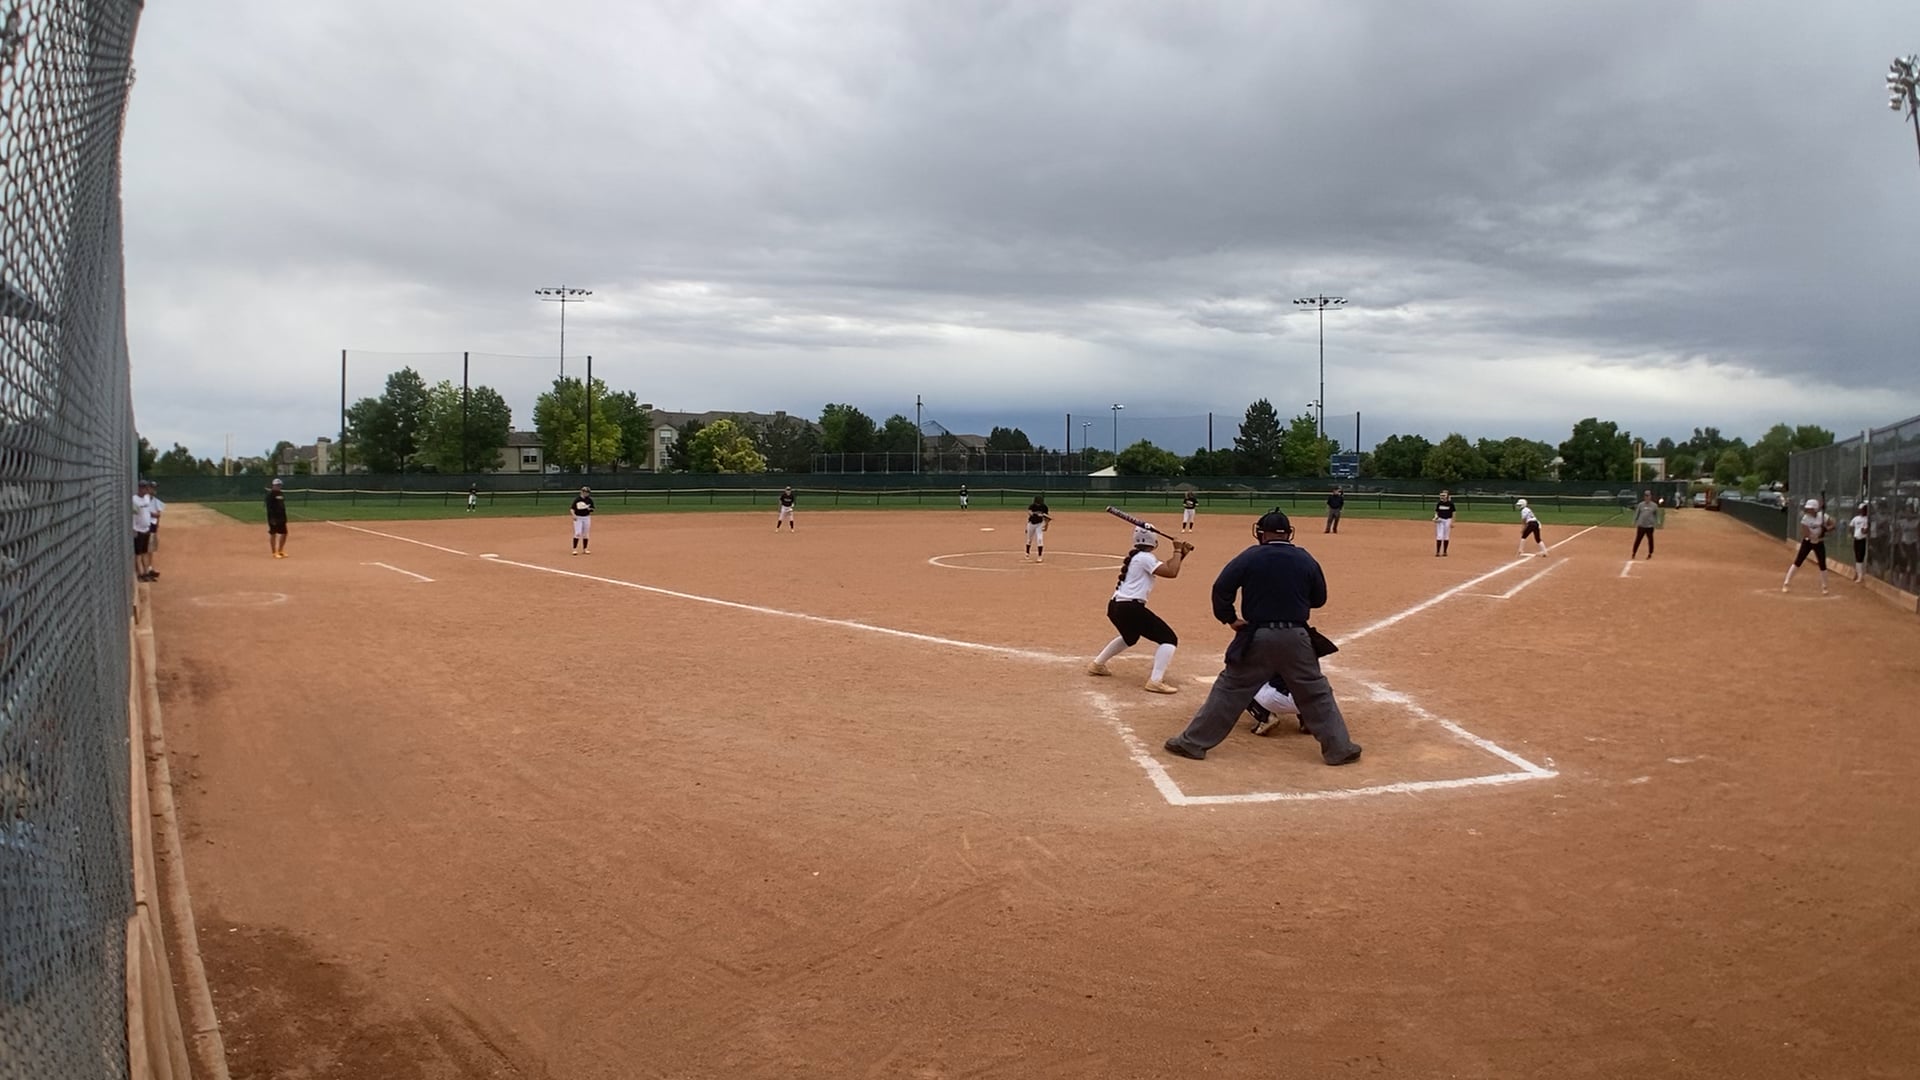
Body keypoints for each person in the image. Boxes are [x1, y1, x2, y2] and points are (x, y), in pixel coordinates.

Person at [1162, 509, 1362, 766]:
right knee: (1316, 692)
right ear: (1289, 534)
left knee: (1230, 689)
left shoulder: (1251, 556)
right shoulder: (1305, 558)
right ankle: (1339, 749)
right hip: (1297, 636)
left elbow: (1221, 588)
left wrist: (1230, 618)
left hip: (1258, 635)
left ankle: (1192, 743)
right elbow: (1319, 599)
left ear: (1261, 533)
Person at [1086, 526, 1192, 694]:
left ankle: (1097, 665)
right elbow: (1171, 572)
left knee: (1130, 637)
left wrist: (1181, 554)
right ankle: (1155, 681)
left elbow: (1169, 566)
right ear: (1154, 541)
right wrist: (1177, 549)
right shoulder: (1145, 558)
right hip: (1130, 608)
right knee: (1169, 639)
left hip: (1116, 606)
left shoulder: (1139, 557)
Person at [1783, 497, 1835, 594]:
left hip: (1819, 542)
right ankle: (1786, 583)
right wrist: (1815, 537)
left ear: (1815, 509)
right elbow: (1805, 533)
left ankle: (1825, 587)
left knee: (1822, 563)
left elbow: (1833, 525)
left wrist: (1826, 529)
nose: (1808, 510)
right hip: (1808, 542)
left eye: (1810, 508)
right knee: (1798, 561)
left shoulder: (1823, 516)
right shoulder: (1805, 518)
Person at [132, 480, 158, 581]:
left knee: (145, 552)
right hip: (138, 529)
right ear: (139, 488)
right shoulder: (134, 499)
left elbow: (147, 510)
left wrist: (153, 514)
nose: (145, 490)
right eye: (143, 488)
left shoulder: (147, 498)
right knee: (138, 554)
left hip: (146, 529)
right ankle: (141, 574)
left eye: (146, 488)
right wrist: (134, 529)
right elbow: (134, 514)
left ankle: (146, 572)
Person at [1631, 491, 1660, 559]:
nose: (1647, 497)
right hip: (1641, 525)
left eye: (1648, 496)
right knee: (1638, 539)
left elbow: (1657, 515)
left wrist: (1658, 521)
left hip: (1650, 526)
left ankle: (1650, 553)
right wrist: (1634, 521)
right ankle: (1634, 552)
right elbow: (1637, 513)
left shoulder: (1654, 505)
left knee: (1650, 540)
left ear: (1650, 496)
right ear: (1644, 497)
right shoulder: (1641, 505)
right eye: (1646, 496)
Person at [1848, 502, 1871, 584]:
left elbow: (1865, 530)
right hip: (1856, 539)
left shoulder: (1866, 519)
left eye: (1864, 509)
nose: (1863, 511)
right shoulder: (1856, 518)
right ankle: (1858, 573)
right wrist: (1851, 533)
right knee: (1857, 556)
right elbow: (1851, 526)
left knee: (1860, 557)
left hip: (1862, 539)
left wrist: (1864, 530)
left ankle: (1860, 575)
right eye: (1862, 509)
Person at [265, 477, 288, 558]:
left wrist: (285, 517)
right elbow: (269, 508)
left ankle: (280, 550)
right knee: (273, 534)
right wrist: (272, 518)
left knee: (284, 533)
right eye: (277, 485)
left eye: (280, 485)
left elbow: (282, 506)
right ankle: (274, 552)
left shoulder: (281, 494)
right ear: (273, 485)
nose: (279, 486)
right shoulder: (270, 495)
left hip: (281, 517)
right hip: (274, 517)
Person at [1024, 495, 1050, 561]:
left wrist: (1046, 526)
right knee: (1029, 539)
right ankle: (1027, 553)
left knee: (1040, 539)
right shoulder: (1032, 506)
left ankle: (1039, 556)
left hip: (1039, 524)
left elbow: (1047, 518)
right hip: (1031, 524)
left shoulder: (1044, 507)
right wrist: (1035, 514)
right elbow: (1029, 512)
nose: (1038, 504)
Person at [571, 486, 595, 554]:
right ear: (582, 492)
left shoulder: (589, 500)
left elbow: (593, 508)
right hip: (578, 517)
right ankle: (574, 549)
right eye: (586, 492)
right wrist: (574, 515)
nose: (587, 493)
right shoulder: (577, 499)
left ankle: (585, 549)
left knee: (585, 534)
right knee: (578, 533)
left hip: (586, 517)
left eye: (588, 492)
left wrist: (589, 509)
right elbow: (572, 509)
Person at [147, 481, 166, 564]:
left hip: (152, 525)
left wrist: (157, 523)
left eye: (155, 488)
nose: (154, 490)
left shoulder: (156, 501)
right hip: (144, 524)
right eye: (152, 487)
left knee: (151, 546)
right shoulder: (144, 500)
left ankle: (149, 565)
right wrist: (151, 514)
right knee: (144, 546)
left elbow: (158, 515)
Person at [1433, 490, 1455, 557]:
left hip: (1448, 520)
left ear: (1447, 496)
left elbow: (1453, 513)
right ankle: (1438, 552)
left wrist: (1452, 522)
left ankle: (1445, 551)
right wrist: (1436, 518)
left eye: (1444, 495)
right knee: (1439, 535)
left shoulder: (1450, 503)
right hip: (1440, 520)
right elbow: (1436, 512)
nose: (1442, 496)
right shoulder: (1439, 503)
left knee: (1446, 536)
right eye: (1442, 495)